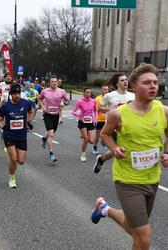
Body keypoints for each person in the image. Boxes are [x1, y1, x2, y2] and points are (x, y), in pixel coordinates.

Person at [91, 63, 168, 250]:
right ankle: (105, 209)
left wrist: (166, 152)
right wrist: (115, 148)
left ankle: (104, 209)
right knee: (143, 237)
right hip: (127, 179)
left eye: (155, 82)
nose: (153, 86)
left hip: (152, 178)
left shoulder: (164, 111)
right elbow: (105, 134)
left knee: (133, 228)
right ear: (134, 86)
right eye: (147, 82)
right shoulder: (119, 114)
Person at [93, 73, 135, 173]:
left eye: (126, 80)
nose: (125, 81)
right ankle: (124, 174)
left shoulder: (132, 96)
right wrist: (110, 108)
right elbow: (100, 108)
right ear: (117, 84)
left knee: (116, 150)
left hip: (129, 127)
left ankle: (101, 159)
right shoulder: (109, 96)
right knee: (121, 150)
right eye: (122, 80)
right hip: (113, 128)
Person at [0, 83, 34, 188]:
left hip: (22, 136)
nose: (17, 96)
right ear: (11, 94)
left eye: (18, 93)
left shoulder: (25, 103)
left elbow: (32, 111)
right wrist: (4, 128)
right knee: (13, 158)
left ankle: (13, 164)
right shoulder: (6, 106)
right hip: (9, 135)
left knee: (21, 161)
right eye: (15, 94)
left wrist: (29, 120)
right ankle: (12, 177)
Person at [37, 75, 70, 162]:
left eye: (55, 81)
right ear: (49, 83)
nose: (55, 83)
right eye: (52, 81)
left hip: (56, 115)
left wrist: (64, 104)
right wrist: (43, 106)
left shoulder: (62, 91)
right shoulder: (45, 91)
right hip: (47, 115)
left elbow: (67, 101)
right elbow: (39, 99)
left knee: (50, 133)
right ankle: (51, 155)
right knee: (51, 134)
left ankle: (44, 138)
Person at [72, 88, 97, 162]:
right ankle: (83, 154)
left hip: (90, 122)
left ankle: (84, 135)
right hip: (82, 122)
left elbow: (95, 111)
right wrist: (78, 114)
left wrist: (95, 120)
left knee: (92, 141)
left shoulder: (93, 101)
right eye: (87, 92)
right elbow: (73, 111)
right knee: (86, 139)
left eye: (90, 92)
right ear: (83, 93)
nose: (89, 94)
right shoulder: (80, 101)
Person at [92, 84, 109, 154]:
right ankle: (95, 147)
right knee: (98, 134)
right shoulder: (98, 99)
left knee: (107, 134)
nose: (106, 91)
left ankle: (103, 142)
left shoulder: (110, 98)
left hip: (108, 120)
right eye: (105, 89)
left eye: (107, 89)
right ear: (101, 90)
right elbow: (97, 109)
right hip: (99, 120)